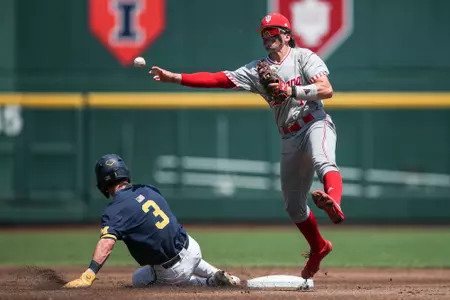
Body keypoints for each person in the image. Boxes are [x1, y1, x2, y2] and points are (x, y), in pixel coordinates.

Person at [149, 12, 345, 279]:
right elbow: (218, 79)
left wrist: (291, 91)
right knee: (293, 206)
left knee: (324, 162)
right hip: (289, 135)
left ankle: (333, 199)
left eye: (273, 32)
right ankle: (318, 247)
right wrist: (176, 78)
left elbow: (326, 89)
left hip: (315, 122)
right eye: (264, 33)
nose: (268, 37)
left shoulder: (304, 58)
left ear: (286, 35)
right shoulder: (256, 70)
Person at [64, 154, 240, 288]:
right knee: (185, 257)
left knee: (138, 279)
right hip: (192, 247)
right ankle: (217, 273)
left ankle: (210, 282)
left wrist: (89, 274)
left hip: (172, 269)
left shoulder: (115, 210)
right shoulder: (149, 190)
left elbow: (107, 244)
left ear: (103, 182)